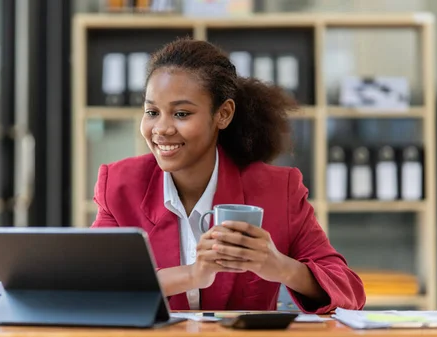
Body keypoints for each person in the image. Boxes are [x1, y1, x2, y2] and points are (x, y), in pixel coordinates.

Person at [91, 37, 366, 314]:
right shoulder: (118, 185)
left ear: (223, 114)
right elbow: (93, 286)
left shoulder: (279, 189)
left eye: (181, 113)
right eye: (152, 112)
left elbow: (350, 292)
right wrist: (191, 275)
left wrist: (280, 266)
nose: (161, 128)